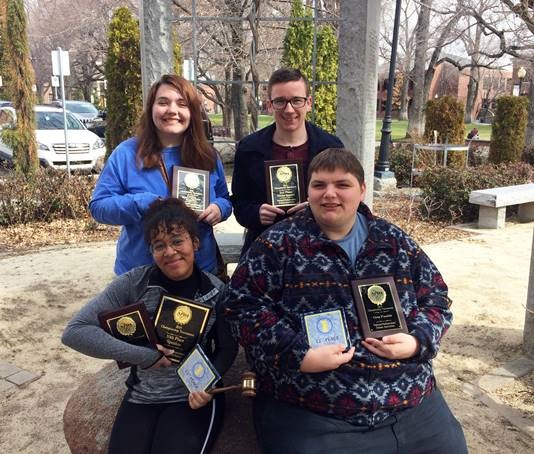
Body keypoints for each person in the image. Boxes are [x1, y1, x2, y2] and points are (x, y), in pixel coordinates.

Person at [223, 148, 468, 453]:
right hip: (313, 409)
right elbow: (241, 306)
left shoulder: (395, 242)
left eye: (342, 185)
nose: (330, 194)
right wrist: (296, 353)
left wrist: (417, 341)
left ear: (362, 190)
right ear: (307, 190)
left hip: (409, 402)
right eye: (319, 185)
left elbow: (436, 298)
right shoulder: (277, 244)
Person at [62, 198, 238, 454]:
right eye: (159, 245)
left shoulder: (216, 292)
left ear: (195, 243)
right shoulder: (134, 284)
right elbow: (75, 332)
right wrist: (145, 356)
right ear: (151, 251)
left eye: (178, 241)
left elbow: (228, 348)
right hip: (142, 396)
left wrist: (208, 385)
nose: (169, 251)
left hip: (191, 397)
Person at [90, 74, 232, 276]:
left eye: (182, 104)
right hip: (142, 275)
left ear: (191, 112)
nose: (172, 110)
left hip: (199, 272)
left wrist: (220, 208)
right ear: (151, 109)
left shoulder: (206, 155)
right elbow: (98, 207)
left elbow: (224, 199)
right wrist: (139, 203)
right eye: (163, 102)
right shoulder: (126, 154)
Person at [231, 67, 343, 253]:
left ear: (308, 103)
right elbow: (239, 202)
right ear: (269, 105)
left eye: (297, 100)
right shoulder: (249, 149)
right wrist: (255, 213)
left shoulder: (331, 147)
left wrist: (317, 208)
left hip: (318, 248)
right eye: (280, 101)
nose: (289, 109)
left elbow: (344, 199)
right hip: (264, 248)